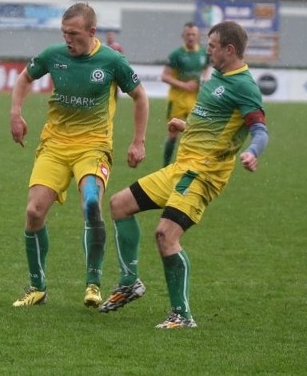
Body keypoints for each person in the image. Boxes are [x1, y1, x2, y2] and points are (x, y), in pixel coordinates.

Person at [99, 21, 269, 329]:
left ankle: (182, 315)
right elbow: (214, 122)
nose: (207, 50)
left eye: (212, 46)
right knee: (119, 204)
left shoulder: (245, 87)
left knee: (165, 235)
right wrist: (185, 126)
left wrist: (252, 152)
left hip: (203, 174)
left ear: (230, 50)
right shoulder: (217, 76)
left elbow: (259, 130)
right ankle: (129, 282)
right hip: (180, 167)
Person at [9, 2, 149, 309]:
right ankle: (37, 287)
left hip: (93, 147)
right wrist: (16, 113)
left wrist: (138, 141)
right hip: (55, 146)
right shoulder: (53, 55)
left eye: (73, 34)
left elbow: (140, 97)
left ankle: (93, 282)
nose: (67, 39)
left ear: (91, 32)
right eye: (64, 33)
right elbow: (23, 79)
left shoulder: (112, 61)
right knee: (33, 212)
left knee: (90, 203)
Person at [161, 21, 211, 167]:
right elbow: (165, 76)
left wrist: (204, 81)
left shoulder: (203, 53)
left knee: (197, 133)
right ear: (183, 35)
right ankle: (165, 166)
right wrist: (184, 85)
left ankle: (194, 165)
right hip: (177, 99)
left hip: (195, 100)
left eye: (193, 34)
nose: (190, 37)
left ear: (198, 36)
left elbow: (206, 70)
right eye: (188, 34)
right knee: (173, 134)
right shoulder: (177, 54)